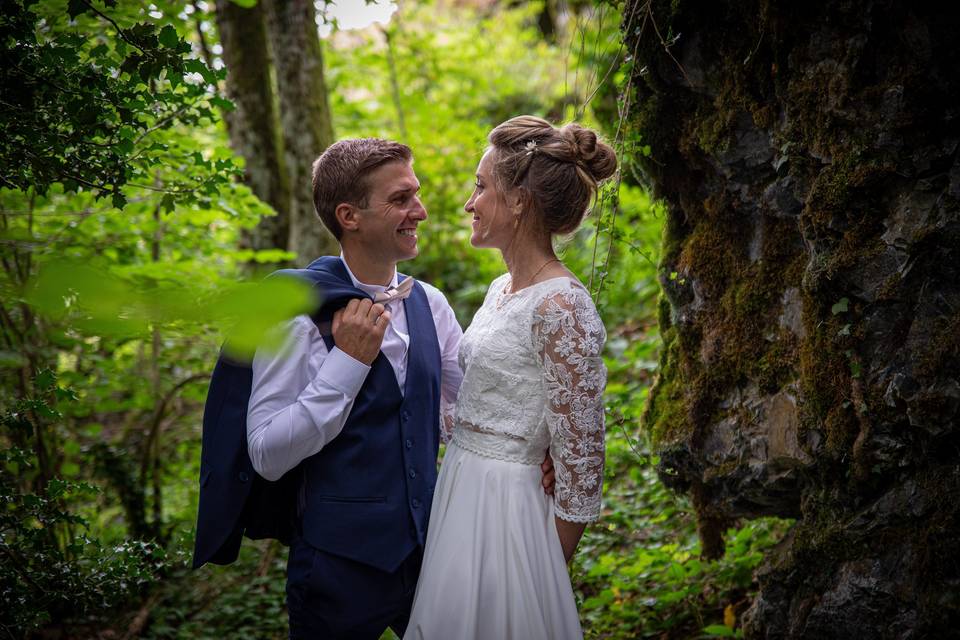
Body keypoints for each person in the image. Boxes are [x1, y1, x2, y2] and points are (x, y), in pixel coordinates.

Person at [241, 138, 554, 639]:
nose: (421, 211)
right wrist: (346, 363)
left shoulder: (430, 304)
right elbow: (266, 453)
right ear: (350, 215)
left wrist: (530, 449)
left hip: (436, 552)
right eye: (400, 199)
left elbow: (469, 409)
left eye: (417, 194)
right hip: (337, 571)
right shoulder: (294, 318)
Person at [404, 116, 616, 640]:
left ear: (519, 201)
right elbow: (484, 401)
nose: (469, 203)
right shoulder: (502, 289)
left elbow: (582, 459)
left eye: (481, 187)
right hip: (460, 492)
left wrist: (545, 566)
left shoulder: (563, 305)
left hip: (511, 514)